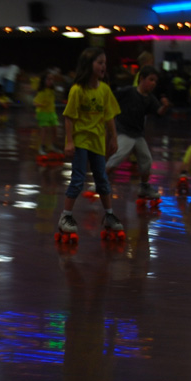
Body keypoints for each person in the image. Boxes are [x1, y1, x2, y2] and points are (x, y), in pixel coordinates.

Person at [57, 47, 122, 239]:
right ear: (88, 65)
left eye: (104, 63)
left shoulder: (104, 89)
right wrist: (69, 141)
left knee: (102, 178)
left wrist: (114, 137)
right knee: (78, 179)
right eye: (99, 62)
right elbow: (69, 117)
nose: (103, 66)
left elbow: (109, 115)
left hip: (97, 141)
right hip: (81, 140)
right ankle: (65, 216)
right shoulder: (77, 90)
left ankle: (109, 215)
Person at [107, 65, 170, 200]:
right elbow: (111, 99)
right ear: (141, 79)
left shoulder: (150, 98)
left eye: (155, 81)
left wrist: (164, 106)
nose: (153, 83)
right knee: (118, 157)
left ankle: (144, 187)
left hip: (138, 135)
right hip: (124, 131)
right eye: (151, 80)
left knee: (146, 161)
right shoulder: (129, 92)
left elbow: (158, 112)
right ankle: (100, 182)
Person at [33, 71, 61, 157]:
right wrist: (41, 105)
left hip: (51, 113)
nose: (51, 81)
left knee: (55, 129)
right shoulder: (41, 91)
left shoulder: (52, 90)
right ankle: (41, 147)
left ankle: (53, 145)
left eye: (52, 79)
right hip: (43, 113)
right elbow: (35, 102)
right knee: (44, 130)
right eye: (48, 79)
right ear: (44, 80)